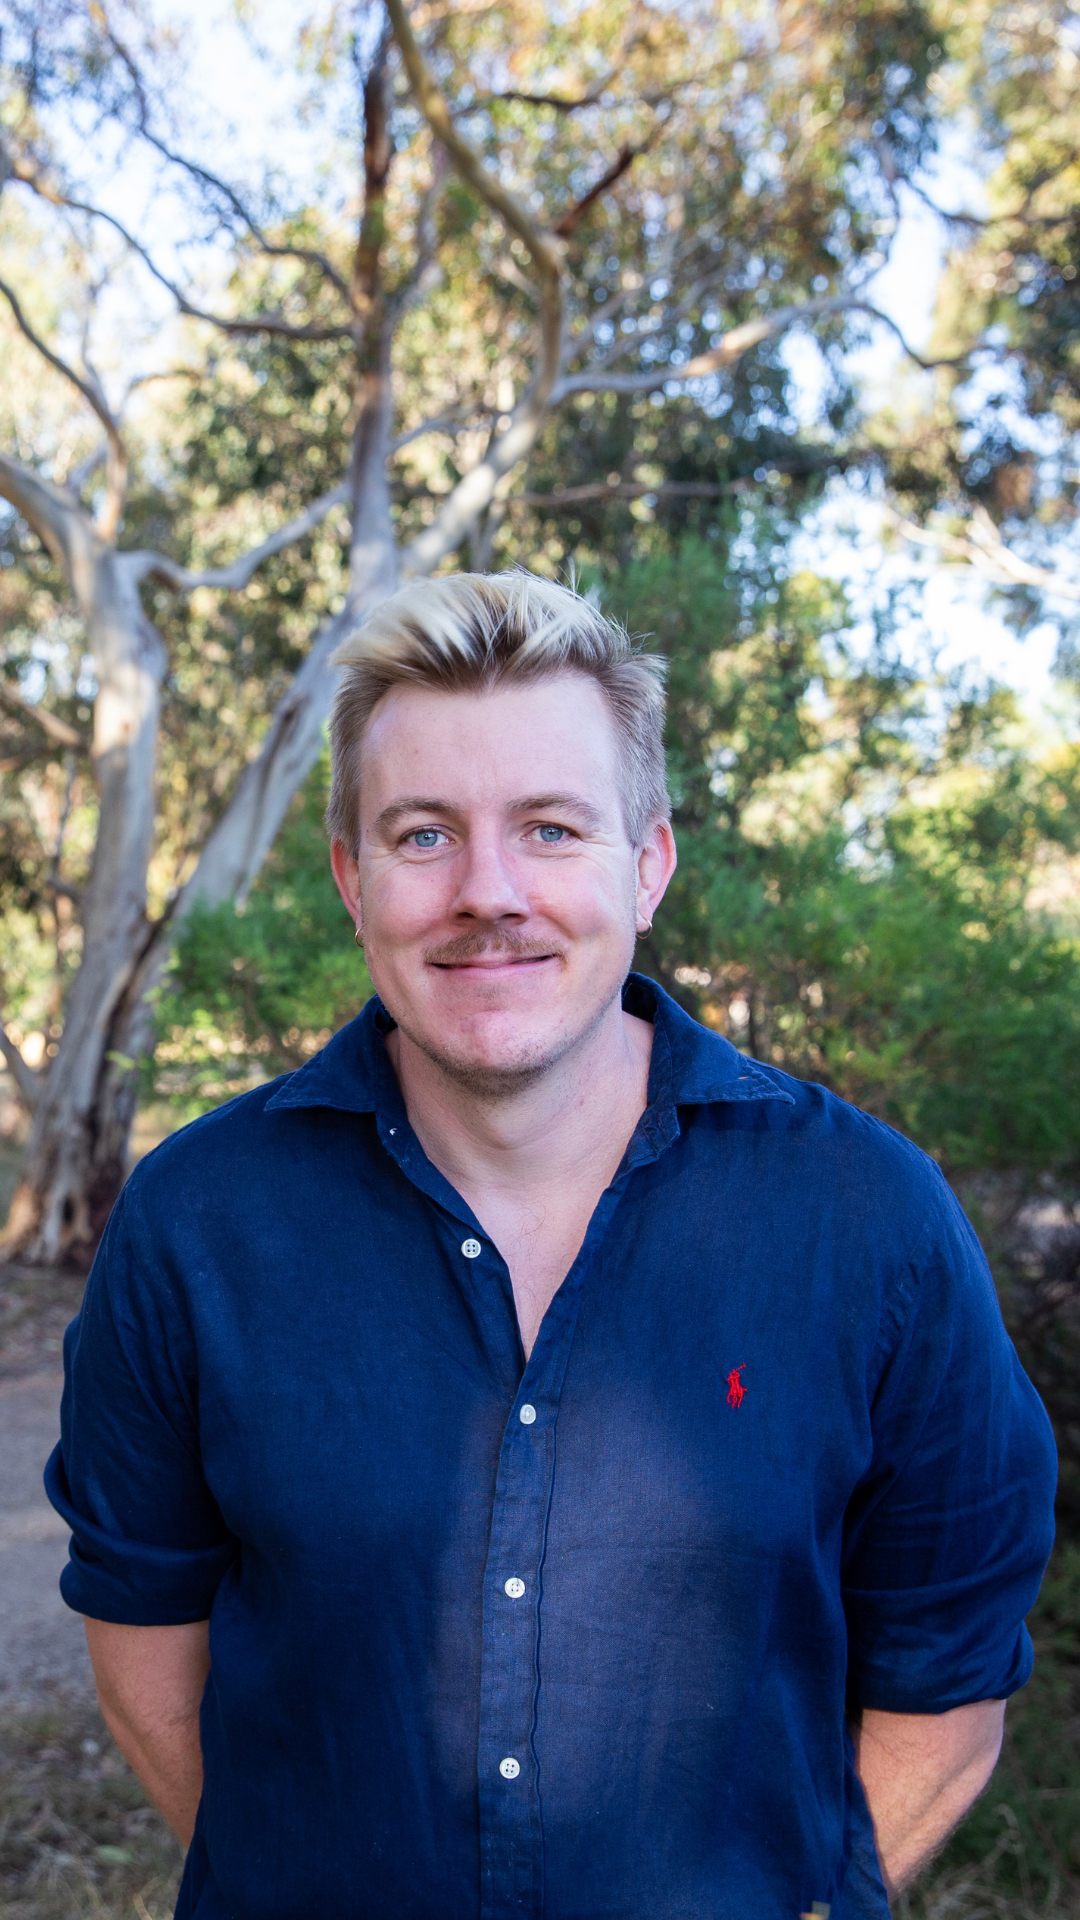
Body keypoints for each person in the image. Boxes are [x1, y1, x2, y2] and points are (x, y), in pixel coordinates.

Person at [47, 570, 1056, 1920]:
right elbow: (146, 1653)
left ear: (648, 865)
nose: (489, 892)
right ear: (353, 879)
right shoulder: (195, 1225)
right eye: (422, 837)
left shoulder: (872, 1224)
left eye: (552, 828)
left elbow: (948, 1679)